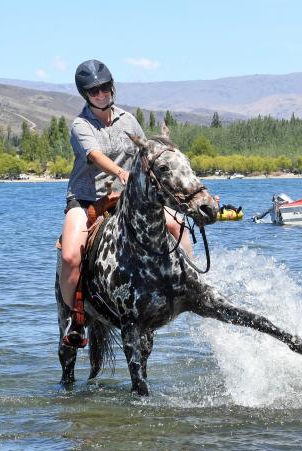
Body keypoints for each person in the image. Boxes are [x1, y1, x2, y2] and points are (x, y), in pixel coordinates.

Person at [59, 59, 191, 347]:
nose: (102, 94)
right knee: (70, 256)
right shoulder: (80, 125)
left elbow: (148, 154)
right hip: (87, 199)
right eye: (95, 91)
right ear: (86, 95)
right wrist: (121, 172)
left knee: (175, 222)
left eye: (106, 88)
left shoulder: (128, 120)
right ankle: (75, 316)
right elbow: (93, 155)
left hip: (128, 198)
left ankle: (188, 285)